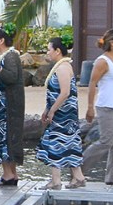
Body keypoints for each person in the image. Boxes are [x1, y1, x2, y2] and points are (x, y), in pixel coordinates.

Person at [82, 29, 113, 185]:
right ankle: (78, 170)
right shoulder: (102, 61)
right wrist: (90, 107)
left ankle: (112, 175)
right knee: (106, 141)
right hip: (106, 106)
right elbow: (92, 83)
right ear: (112, 42)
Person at [37, 38, 86, 190]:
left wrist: (52, 111)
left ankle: (56, 180)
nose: (47, 52)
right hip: (62, 112)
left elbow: (64, 92)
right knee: (68, 142)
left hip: (63, 114)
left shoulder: (63, 68)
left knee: (56, 143)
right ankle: (78, 176)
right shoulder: (61, 66)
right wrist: (47, 109)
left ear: (57, 51)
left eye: (49, 49)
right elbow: (54, 92)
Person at [0, 26, 25, 186]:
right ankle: (11, 173)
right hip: (7, 105)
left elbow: (11, 77)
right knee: (9, 138)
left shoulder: (10, 56)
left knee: (5, 138)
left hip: (7, 107)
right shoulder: (8, 56)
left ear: (1, 40)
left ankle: (8, 174)